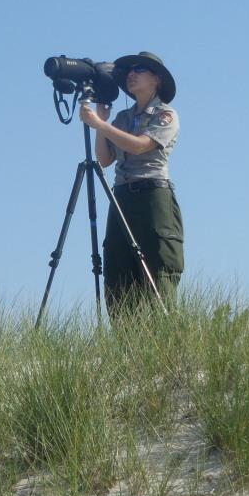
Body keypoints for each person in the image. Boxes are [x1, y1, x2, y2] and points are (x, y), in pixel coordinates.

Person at [79, 51, 183, 309]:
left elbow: (140, 146)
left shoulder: (165, 114)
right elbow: (104, 160)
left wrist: (101, 126)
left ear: (156, 79)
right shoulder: (122, 119)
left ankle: (164, 337)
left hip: (153, 197)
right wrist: (101, 124)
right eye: (129, 71)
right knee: (118, 273)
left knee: (158, 272)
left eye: (139, 70)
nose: (131, 75)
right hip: (122, 195)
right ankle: (125, 342)